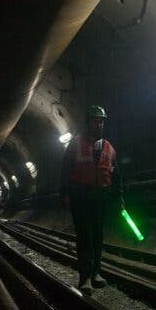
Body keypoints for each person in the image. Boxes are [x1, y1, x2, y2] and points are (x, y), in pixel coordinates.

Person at [60, 105, 121, 295]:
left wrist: (119, 198)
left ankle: (96, 273)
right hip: (81, 199)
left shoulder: (110, 149)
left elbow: (116, 176)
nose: (99, 124)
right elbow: (65, 171)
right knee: (84, 238)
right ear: (88, 123)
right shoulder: (76, 144)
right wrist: (64, 194)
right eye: (95, 120)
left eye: (101, 121)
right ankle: (85, 277)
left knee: (97, 237)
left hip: (100, 200)